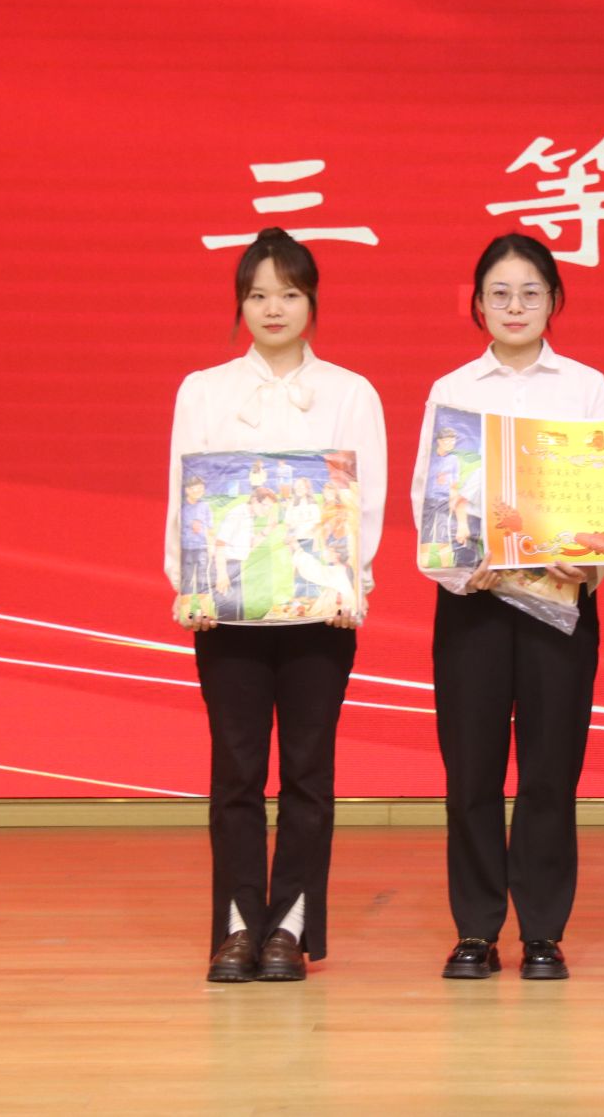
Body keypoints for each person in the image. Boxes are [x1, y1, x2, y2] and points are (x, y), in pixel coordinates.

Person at [164, 226, 387, 985]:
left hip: (319, 614)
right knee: (235, 771)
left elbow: (363, 505)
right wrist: (189, 584)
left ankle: (290, 925)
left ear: (311, 301)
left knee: (307, 771)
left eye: (288, 293)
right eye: (258, 295)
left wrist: (351, 585)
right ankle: (236, 925)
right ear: (240, 304)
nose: (273, 308)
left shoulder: (351, 392)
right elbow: (186, 495)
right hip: (226, 613)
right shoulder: (203, 390)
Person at [411, 234, 604, 983]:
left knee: (550, 771)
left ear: (554, 300)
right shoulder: (453, 389)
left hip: (560, 604)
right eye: (500, 293)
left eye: (531, 292)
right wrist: (465, 563)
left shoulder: (586, 388)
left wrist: (590, 556)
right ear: (478, 304)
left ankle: (542, 931)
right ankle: (475, 928)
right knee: (471, 772)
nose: (516, 306)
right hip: (476, 604)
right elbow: (428, 498)